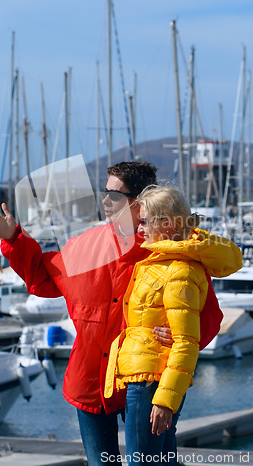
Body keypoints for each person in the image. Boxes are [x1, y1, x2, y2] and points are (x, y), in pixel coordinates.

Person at [0, 161, 241, 465]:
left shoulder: (170, 250)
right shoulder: (85, 245)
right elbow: (43, 278)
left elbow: (209, 315)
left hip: (146, 382)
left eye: (114, 195)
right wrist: (14, 238)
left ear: (139, 202)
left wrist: (184, 336)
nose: (104, 201)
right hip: (90, 379)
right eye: (104, 193)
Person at [104, 186, 243, 465]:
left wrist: (165, 401)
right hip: (146, 378)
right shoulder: (159, 261)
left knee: (142, 462)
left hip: (151, 382)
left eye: (144, 221)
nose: (139, 227)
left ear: (166, 224)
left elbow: (186, 342)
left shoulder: (180, 270)